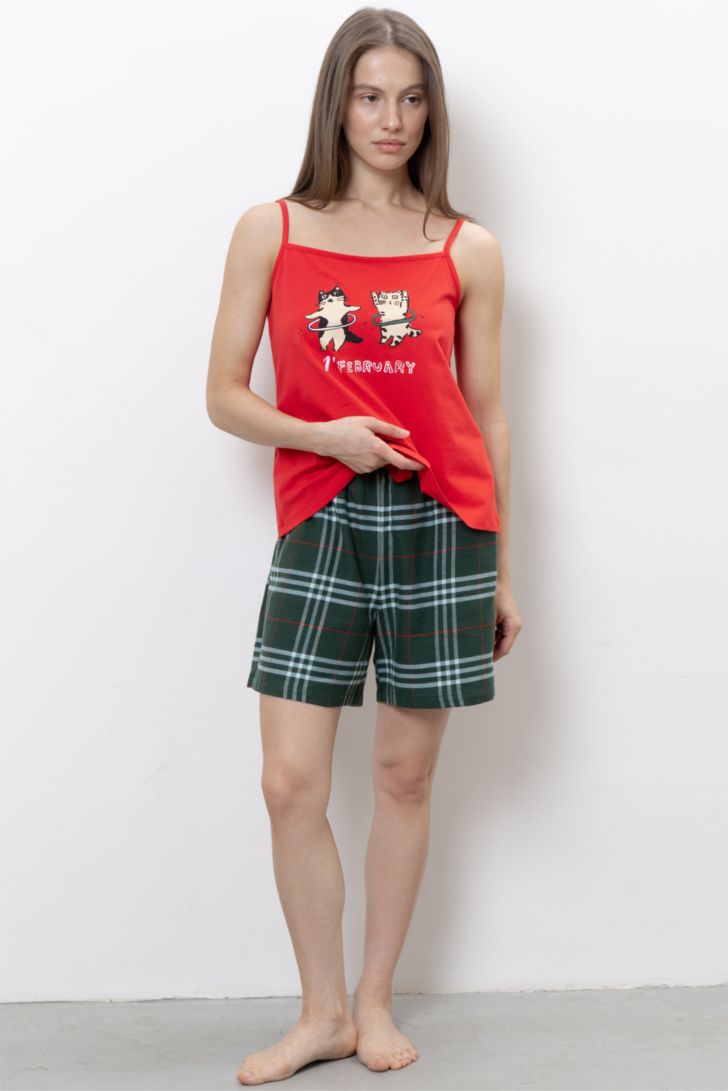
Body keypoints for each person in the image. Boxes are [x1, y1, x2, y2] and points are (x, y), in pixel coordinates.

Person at [206, 8, 523, 1084]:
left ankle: (374, 1001)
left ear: (432, 111)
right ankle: (321, 1012)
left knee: (400, 775)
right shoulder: (272, 229)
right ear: (335, 105)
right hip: (321, 513)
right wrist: (324, 434)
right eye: (370, 96)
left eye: (412, 98)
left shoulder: (465, 245)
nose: (392, 119)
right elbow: (223, 395)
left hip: (443, 523)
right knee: (289, 780)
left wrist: (503, 568)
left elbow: (487, 414)